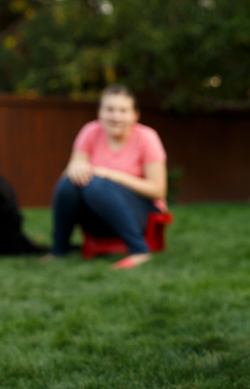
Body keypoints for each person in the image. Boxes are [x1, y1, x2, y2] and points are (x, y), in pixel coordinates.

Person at [48, 84, 168, 270]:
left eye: (123, 110)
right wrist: (75, 166)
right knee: (69, 184)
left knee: (96, 185)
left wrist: (111, 175)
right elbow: (71, 176)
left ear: (135, 115)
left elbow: (158, 190)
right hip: (97, 217)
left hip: (141, 214)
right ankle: (59, 250)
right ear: (99, 112)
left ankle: (139, 251)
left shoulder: (147, 137)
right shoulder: (89, 132)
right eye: (109, 109)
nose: (115, 116)